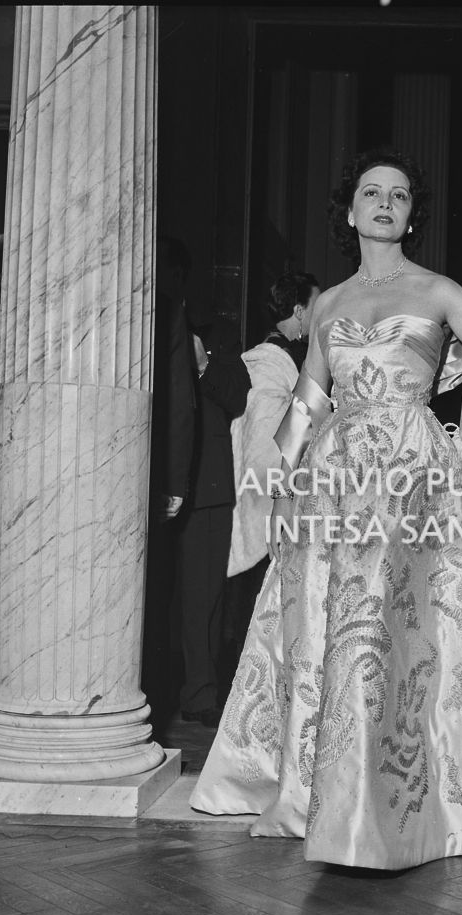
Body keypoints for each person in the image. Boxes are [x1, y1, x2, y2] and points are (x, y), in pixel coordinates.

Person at [191, 147, 462, 869]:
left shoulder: (436, 289)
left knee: (406, 626)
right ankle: (328, 794)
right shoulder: (330, 303)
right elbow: (309, 402)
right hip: (334, 477)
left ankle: (422, 802)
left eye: (398, 195)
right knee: (327, 620)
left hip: (412, 472)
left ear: (410, 215)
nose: (384, 203)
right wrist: (278, 482)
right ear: (350, 213)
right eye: (371, 193)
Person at [220, 272, 317, 688]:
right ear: (298, 311)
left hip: (283, 485)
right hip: (268, 486)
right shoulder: (271, 360)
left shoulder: (288, 357)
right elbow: (262, 435)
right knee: (255, 593)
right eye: (315, 306)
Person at [172, 312, 251, 727]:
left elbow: (237, 397)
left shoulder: (219, 336)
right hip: (154, 477)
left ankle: (200, 693)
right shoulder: (146, 329)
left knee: (205, 597)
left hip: (207, 485)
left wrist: (203, 364)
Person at [143, 237, 198, 737]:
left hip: (147, 475)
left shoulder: (165, 305)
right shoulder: (164, 303)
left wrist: (175, 479)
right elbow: (181, 399)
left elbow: (181, 399)